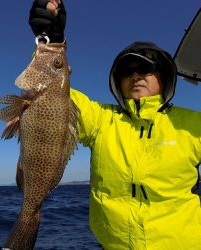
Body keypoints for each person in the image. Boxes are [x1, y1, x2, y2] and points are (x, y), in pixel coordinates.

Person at [29, 1, 201, 249]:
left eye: (145, 68)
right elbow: (54, 96)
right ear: (117, 83)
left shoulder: (194, 123)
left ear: (163, 78)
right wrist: (52, 39)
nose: (135, 75)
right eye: (127, 70)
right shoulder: (101, 119)